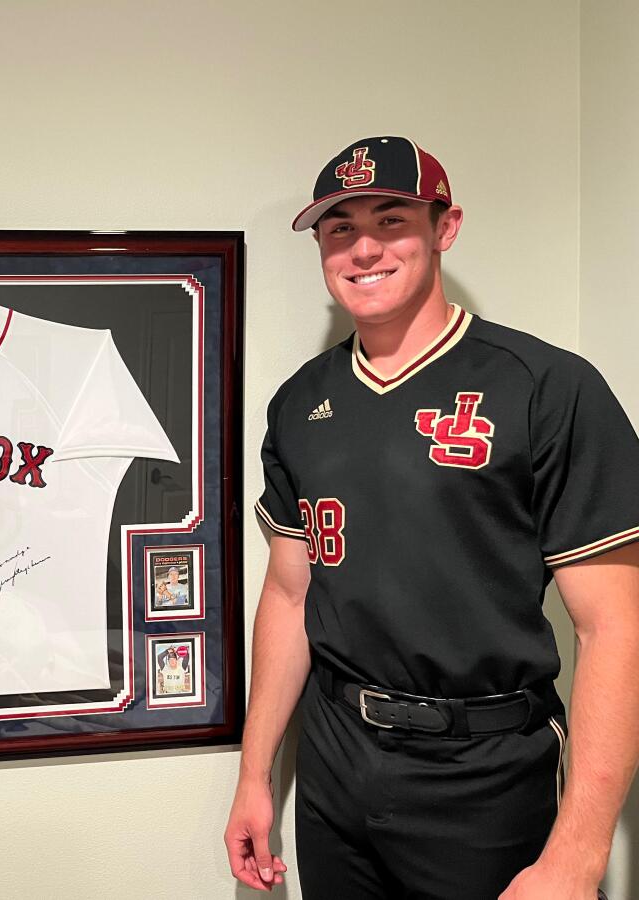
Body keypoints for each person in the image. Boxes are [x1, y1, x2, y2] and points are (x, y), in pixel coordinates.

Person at [224, 136, 639, 898]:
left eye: (391, 220)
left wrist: (577, 857)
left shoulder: (546, 387)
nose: (363, 248)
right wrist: (256, 776)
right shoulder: (298, 404)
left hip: (485, 771)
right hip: (336, 761)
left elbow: (614, 628)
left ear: (445, 228)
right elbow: (289, 594)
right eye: (340, 228)